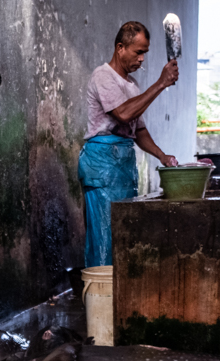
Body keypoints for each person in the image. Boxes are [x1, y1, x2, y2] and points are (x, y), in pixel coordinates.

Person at [79, 21, 179, 270]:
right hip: (102, 167)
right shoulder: (103, 76)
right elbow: (123, 114)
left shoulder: (131, 85)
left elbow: (139, 130)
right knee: (104, 237)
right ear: (120, 47)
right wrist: (160, 84)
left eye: (145, 52)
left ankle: (118, 300)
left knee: (123, 234)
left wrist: (162, 156)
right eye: (138, 51)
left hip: (122, 168)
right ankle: (101, 301)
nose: (142, 58)